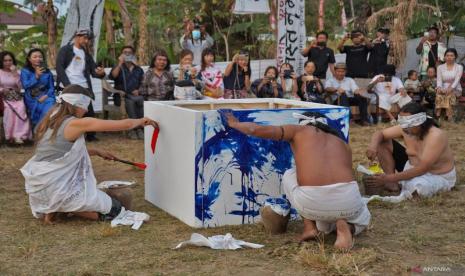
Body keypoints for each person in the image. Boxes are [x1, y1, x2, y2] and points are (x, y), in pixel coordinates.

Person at [222, 110, 371, 250]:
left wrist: (235, 124)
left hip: (313, 200)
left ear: (303, 123)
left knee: (289, 174)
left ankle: (309, 227)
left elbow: (255, 130)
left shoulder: (298, 131)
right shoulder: (343, 144)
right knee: (362, 216)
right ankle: (346, 227)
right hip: (348, 200)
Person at [20, 84, 159, 224]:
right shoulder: (75, 123)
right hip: (55, 186)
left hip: (41, 185)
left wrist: (97, 151)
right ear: (76, 104)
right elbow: (123, 125)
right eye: (85, 105)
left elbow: (60, 152)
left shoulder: (52, 117)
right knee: (115, 211)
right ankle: (63, 205)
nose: (86, 110)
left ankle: (56, 206)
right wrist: (141, 121)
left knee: (96, 200)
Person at [365, 102, 456, 199]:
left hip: (437, 175)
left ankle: (395, 181)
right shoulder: (406, 128)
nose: (404, 128)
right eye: (403, 123)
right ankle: (392, 185)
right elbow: (380, 134)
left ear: (420, 122)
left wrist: (387, 178)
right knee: (382, 141)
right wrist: (373, 146)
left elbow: (423, 168)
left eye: (408, 124)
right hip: (411, 166)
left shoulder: (436, 135)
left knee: (418, 189)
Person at [56, 28, 106, 142]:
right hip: (69, 86)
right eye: (84, 38)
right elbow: (59, 69)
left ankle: (91, 135)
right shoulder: (65, 50)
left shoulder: (86, 54)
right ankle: (65, 134)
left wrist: (101, 73)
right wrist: (68, 86)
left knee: (88, 112)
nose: (86, 41)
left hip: (84, 87)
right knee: (67, 112)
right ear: (76, 37)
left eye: (88, 39)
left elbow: (94, 72)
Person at [110, 46, 145, 140]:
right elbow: (113, 76)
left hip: (136, 96)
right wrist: (120, 63)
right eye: (125, 52)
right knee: (130, 102)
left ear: (133, 55)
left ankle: (139, 128)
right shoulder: (118, 67)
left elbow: (143, 82)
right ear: (121, 54)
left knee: (140, 100)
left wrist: (139, 90)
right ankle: (134, 128)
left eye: (130, 53)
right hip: (121, 97)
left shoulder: (138, 69)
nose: (127, 54)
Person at [0, 51, 31, 144]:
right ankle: (10, 136)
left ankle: (20, 136)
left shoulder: (18, 72)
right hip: (3, 98)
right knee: (8, 109)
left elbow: (21, 86)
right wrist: (2, 90)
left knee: (21, 107)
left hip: (16, 97)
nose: (8, 62)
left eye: (10, 60)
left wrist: (15, 74)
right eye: (5, 61)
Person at [20, 48, 56, 129]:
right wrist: (36, 77)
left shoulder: (47, 72)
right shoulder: (25, 71)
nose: (38, 59)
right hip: (32, 97)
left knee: (50, 107)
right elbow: (25, 86)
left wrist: (46, 96)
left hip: (46, 96)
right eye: (35, 57)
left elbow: (51, 88)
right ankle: (39, 131)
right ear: (29, 59)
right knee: (41, 109)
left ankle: (42, 131)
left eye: (40, 57)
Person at [435, 48, 463, 120]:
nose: (449, 57)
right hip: (443, 87)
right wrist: (439, 88)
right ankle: (438, 115)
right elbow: (439, 80)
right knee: (439, 93)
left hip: (455, 88)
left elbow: (457, 80)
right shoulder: (440, 67)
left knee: (449, 94)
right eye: (447, 55)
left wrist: (450, 89)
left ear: (455, 57)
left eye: (451, 55)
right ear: (444, 57)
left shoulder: (459, 67)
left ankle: (448, 115)